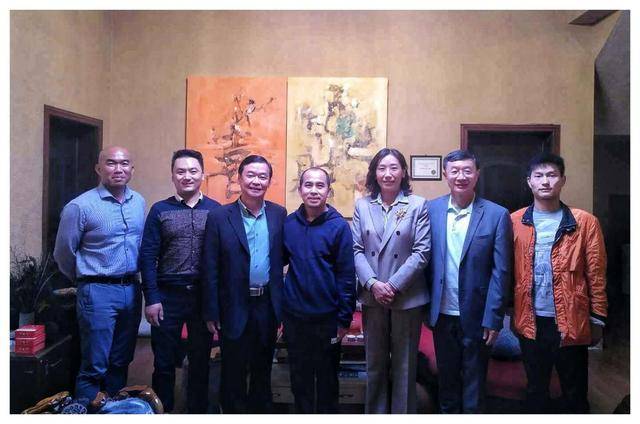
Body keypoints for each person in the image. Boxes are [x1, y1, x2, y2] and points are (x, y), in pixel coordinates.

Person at [511, 152, 607, 413]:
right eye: (539, 175)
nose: (545, 181)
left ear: (563, 180)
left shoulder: (585, 222)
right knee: (535, 390)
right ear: (529, 181)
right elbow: (507, 271)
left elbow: (596, 274)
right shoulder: (515, 221)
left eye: (552, 175)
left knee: (575, 393)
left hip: (572, 320)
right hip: (530, 321)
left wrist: (598, 318)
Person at [53, 146, 146, 402]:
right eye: (111, 163)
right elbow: (63, 253)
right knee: (95, 363)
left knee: (121, 360)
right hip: (97, 291)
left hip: (131, 289)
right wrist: (86, 279)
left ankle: (113, 409)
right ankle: (86, 408)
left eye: (124, 163)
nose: (118, 169)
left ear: (132, 169)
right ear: (98, 168)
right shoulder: (80, 206)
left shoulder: (139, 202)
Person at [426, 149, 512, 413]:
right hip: (442, 314)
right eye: (454, 171)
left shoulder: (497, 214)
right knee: (447, 383)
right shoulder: (431, 210)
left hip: (477, 314)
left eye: (467, 171)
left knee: (475, 385)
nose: (460, 176)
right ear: (445, 174)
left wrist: (494, 318)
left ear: (477, 174)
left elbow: (501, 271)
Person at [201, 154, 286, 413]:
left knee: (262, 369)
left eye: (262, 176)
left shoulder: (278, 214)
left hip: (266, 305)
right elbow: (210, 267)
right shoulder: (219, 216)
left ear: (269, 181)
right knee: (233, 371)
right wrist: (211, 311)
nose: (256, 181)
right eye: (251, 175)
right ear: (239, 178)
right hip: (233, 305)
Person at [139, 149, 220, 413]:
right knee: (163, 362)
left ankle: (197, 411)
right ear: (173, 176)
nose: (187, 176)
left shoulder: (216, 211)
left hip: (202, 298)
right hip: (167, 297)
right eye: (181, 171)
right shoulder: (160, 210)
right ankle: (163, 411)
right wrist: (152, 298)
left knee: (200, 361)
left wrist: (217, 303)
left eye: (193, 171)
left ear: (203, 175)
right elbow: (147, 257)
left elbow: (222, 259)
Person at [352, 148, 431, 413]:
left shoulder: (417, 205)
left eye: (394, 167)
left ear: (403, 172)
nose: (388, 174)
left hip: (406, 296)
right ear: (375, 173)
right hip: (372, 296)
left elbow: (422, 252)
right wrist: (374, 284)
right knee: (374, 364)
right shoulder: (363, 205)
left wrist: (394, 285)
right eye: (382, 168)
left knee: (404, 366)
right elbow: (356, 250)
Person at [282, 167, 356, 413]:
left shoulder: (339, 227)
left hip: (327, 318)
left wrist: (344, 319)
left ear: (328, 191)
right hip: (294, 317)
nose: (314, 190)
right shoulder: (289, 224)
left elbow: (347, 276)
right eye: (308, 185)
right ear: (300, 189)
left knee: (327, 381)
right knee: (299, 380)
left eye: (320, 185)